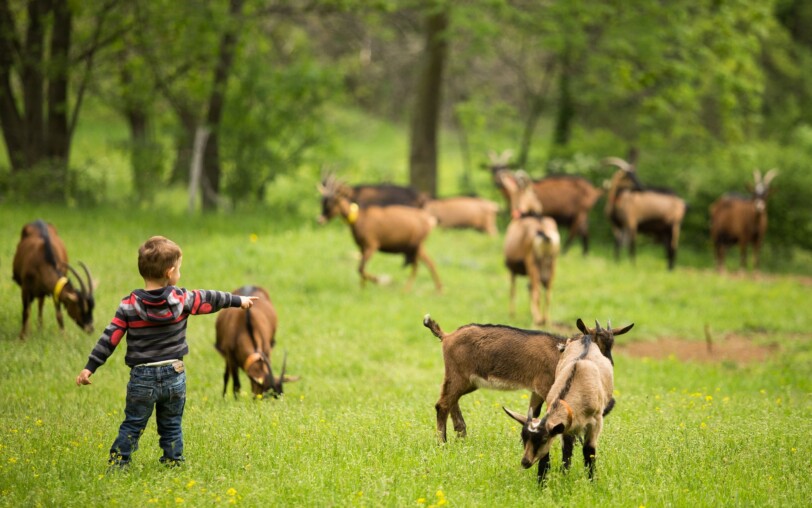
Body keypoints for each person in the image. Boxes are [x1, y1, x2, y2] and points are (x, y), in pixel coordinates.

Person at [75, 235, 257, 468]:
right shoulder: (183, 299)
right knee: (171, 425)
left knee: (132, 424)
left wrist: (90, 367)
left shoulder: (128, 305)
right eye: (179, 269)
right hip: (174, 373)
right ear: (170, 273)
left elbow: (109, 338)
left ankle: (119, 463)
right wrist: (238, 300)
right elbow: (212, 298)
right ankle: (173, 462)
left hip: (142, 378)